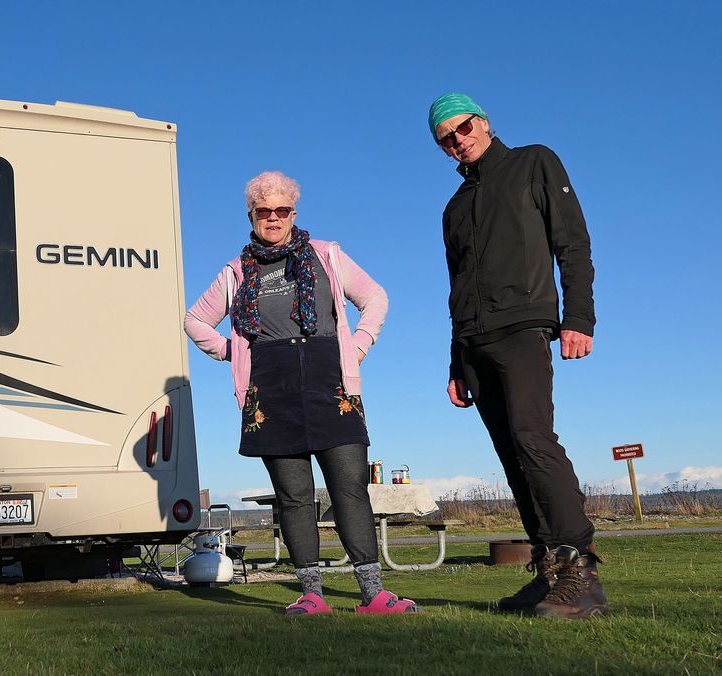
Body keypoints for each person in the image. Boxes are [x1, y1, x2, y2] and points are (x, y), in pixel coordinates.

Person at [184, 171, 416, 615]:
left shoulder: (326, 255)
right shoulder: (235, 272)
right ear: (251, 216)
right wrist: (232, 351)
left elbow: (376, 298)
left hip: (332, 387)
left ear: (294, 213)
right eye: (263, 212)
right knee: (294, 498)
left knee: (350, 489)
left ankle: (374, 594)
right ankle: (312, 595)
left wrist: (360, 344)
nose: (273, 219)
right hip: (270, 394)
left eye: (282, 211)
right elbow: (195, 320)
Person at [428, 93, 607, 619]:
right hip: (474, 342)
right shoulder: (454, 208)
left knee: (534, 440)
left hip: (523, 327)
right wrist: (455, 362)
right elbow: (456, 287)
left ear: (482, 121)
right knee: (512, 457)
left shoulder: (534, 161)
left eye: (462, 128)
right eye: (445, 139)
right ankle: (548, 571)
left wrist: (579, 318)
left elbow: (572, 242)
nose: (457, 140)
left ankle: (582, 572)